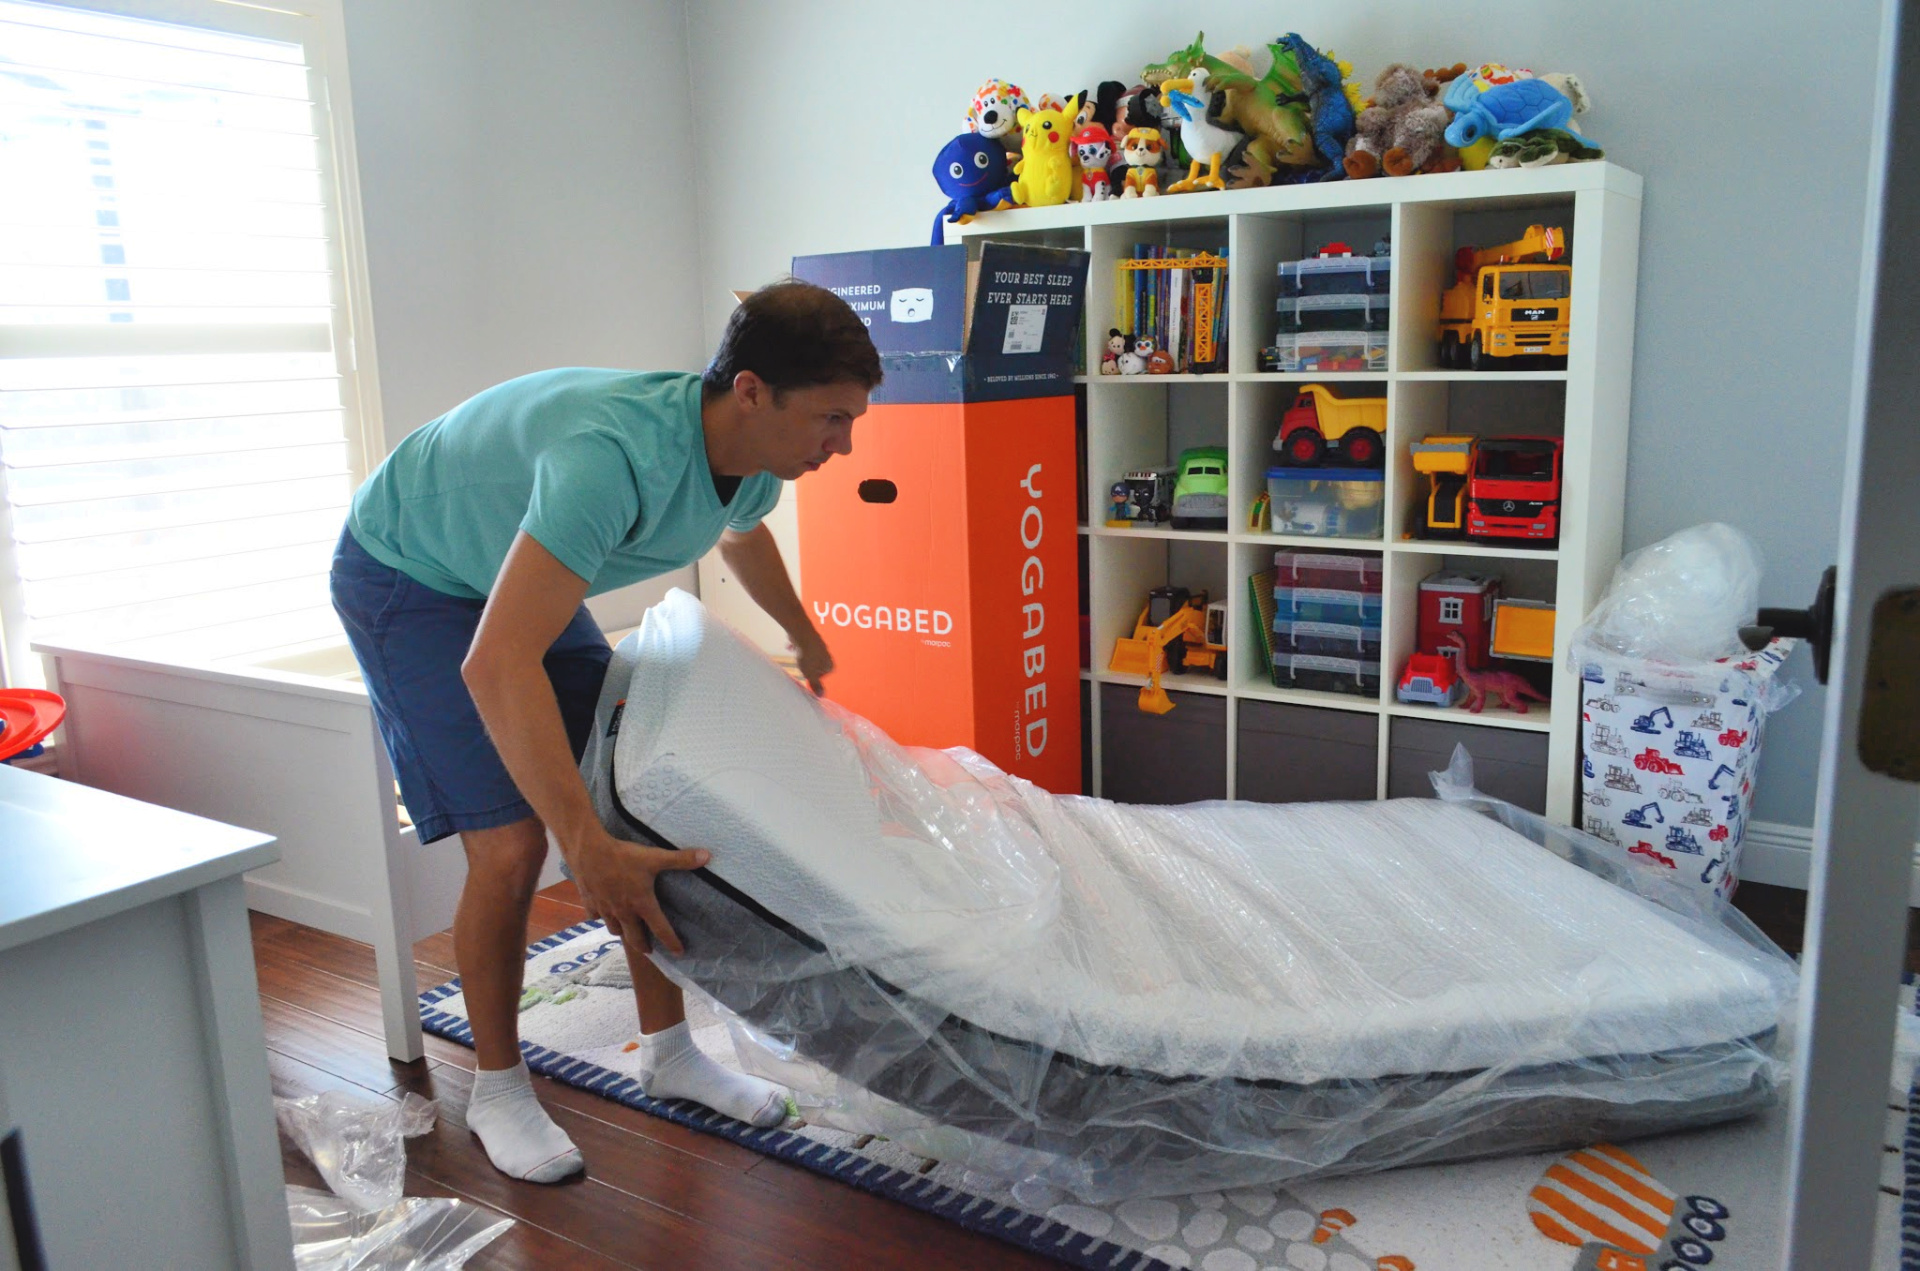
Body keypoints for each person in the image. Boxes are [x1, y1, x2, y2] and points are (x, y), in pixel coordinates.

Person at [329, 280, 881, 1182]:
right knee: (513, 843)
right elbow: (494, 663)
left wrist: (803, 632)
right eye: (832, 419)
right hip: (411, 572)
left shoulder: (750, 456)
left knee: (646, 787)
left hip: (503, 562)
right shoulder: (612, 461)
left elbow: (740, 534)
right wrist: (582, 845)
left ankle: (672, 1053)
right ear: (751, 391)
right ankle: (497, 1089)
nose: (843, 444)